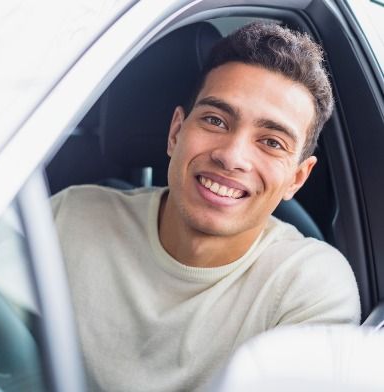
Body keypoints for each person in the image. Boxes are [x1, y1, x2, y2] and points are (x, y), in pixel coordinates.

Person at [51, 22, 360, 392]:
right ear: (175, 132)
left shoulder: (309, 287)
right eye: (215, 120)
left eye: (271, 142)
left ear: (297, 179)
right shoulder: (69, 217)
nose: (232, 157)